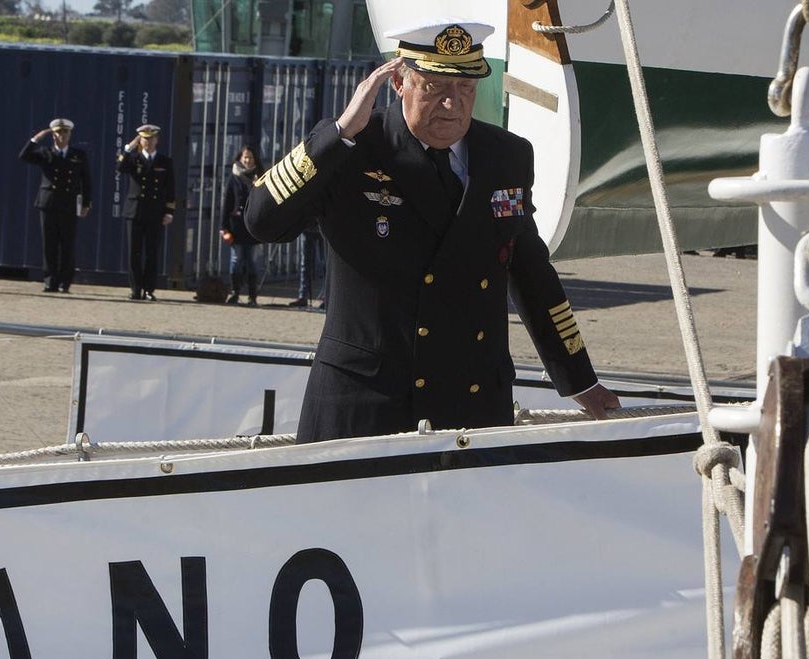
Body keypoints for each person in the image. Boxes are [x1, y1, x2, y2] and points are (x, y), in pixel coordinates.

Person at [245, 20, 621, 443]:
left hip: (473, 401)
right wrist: (339, 134)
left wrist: (579, 379)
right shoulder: (352, 148)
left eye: (464, 89)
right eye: (434, 87)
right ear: (398, 83)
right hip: (367, 402)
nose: (451, 104)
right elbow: (262, 222)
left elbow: (531, 272)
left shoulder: (506, 155)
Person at [19, 118, 92, 293]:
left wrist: (86, 203)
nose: (62, 136)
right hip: (48, 202)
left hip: (69, 203)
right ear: (53, 135)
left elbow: (86, 181)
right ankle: (50, 281)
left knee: (67, 244)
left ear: (70, 134)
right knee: (49, 244)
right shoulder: (45, 152)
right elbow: (23, 156)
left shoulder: (78, 155)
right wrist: (36, 139)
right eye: (58, 133)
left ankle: (64, 282)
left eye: (65, 132)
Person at [118, 123, 176, 301]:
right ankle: (136, 289)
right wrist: (128, 148)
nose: (148, 142)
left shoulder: (165, 162)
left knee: (152, 253)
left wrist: (169, 211)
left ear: (157, 140)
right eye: (144, 138)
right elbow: (120, 167)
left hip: (155, 212)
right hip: (135, 211)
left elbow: (170, 188)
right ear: (140, 140)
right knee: (134, 252)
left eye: (151, 139)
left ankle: (149, 289)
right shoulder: (133, 159)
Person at [220, 145, 264, 306]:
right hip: (236, 227)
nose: (247, 160)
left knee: (252, 261)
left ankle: (252, 296)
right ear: (240, 159)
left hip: (253, 227)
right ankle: (235, 292)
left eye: (250, 158)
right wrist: (223, 227)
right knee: (236, 260)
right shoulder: (234, 177)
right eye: (245, 157)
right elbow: (227, 203)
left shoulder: (261, 176)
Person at [288, 218, 325, 308]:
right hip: (306, 227)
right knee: (304, 264)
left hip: (322, 226)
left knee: (325, 263)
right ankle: (303, 296)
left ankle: (327, 296)